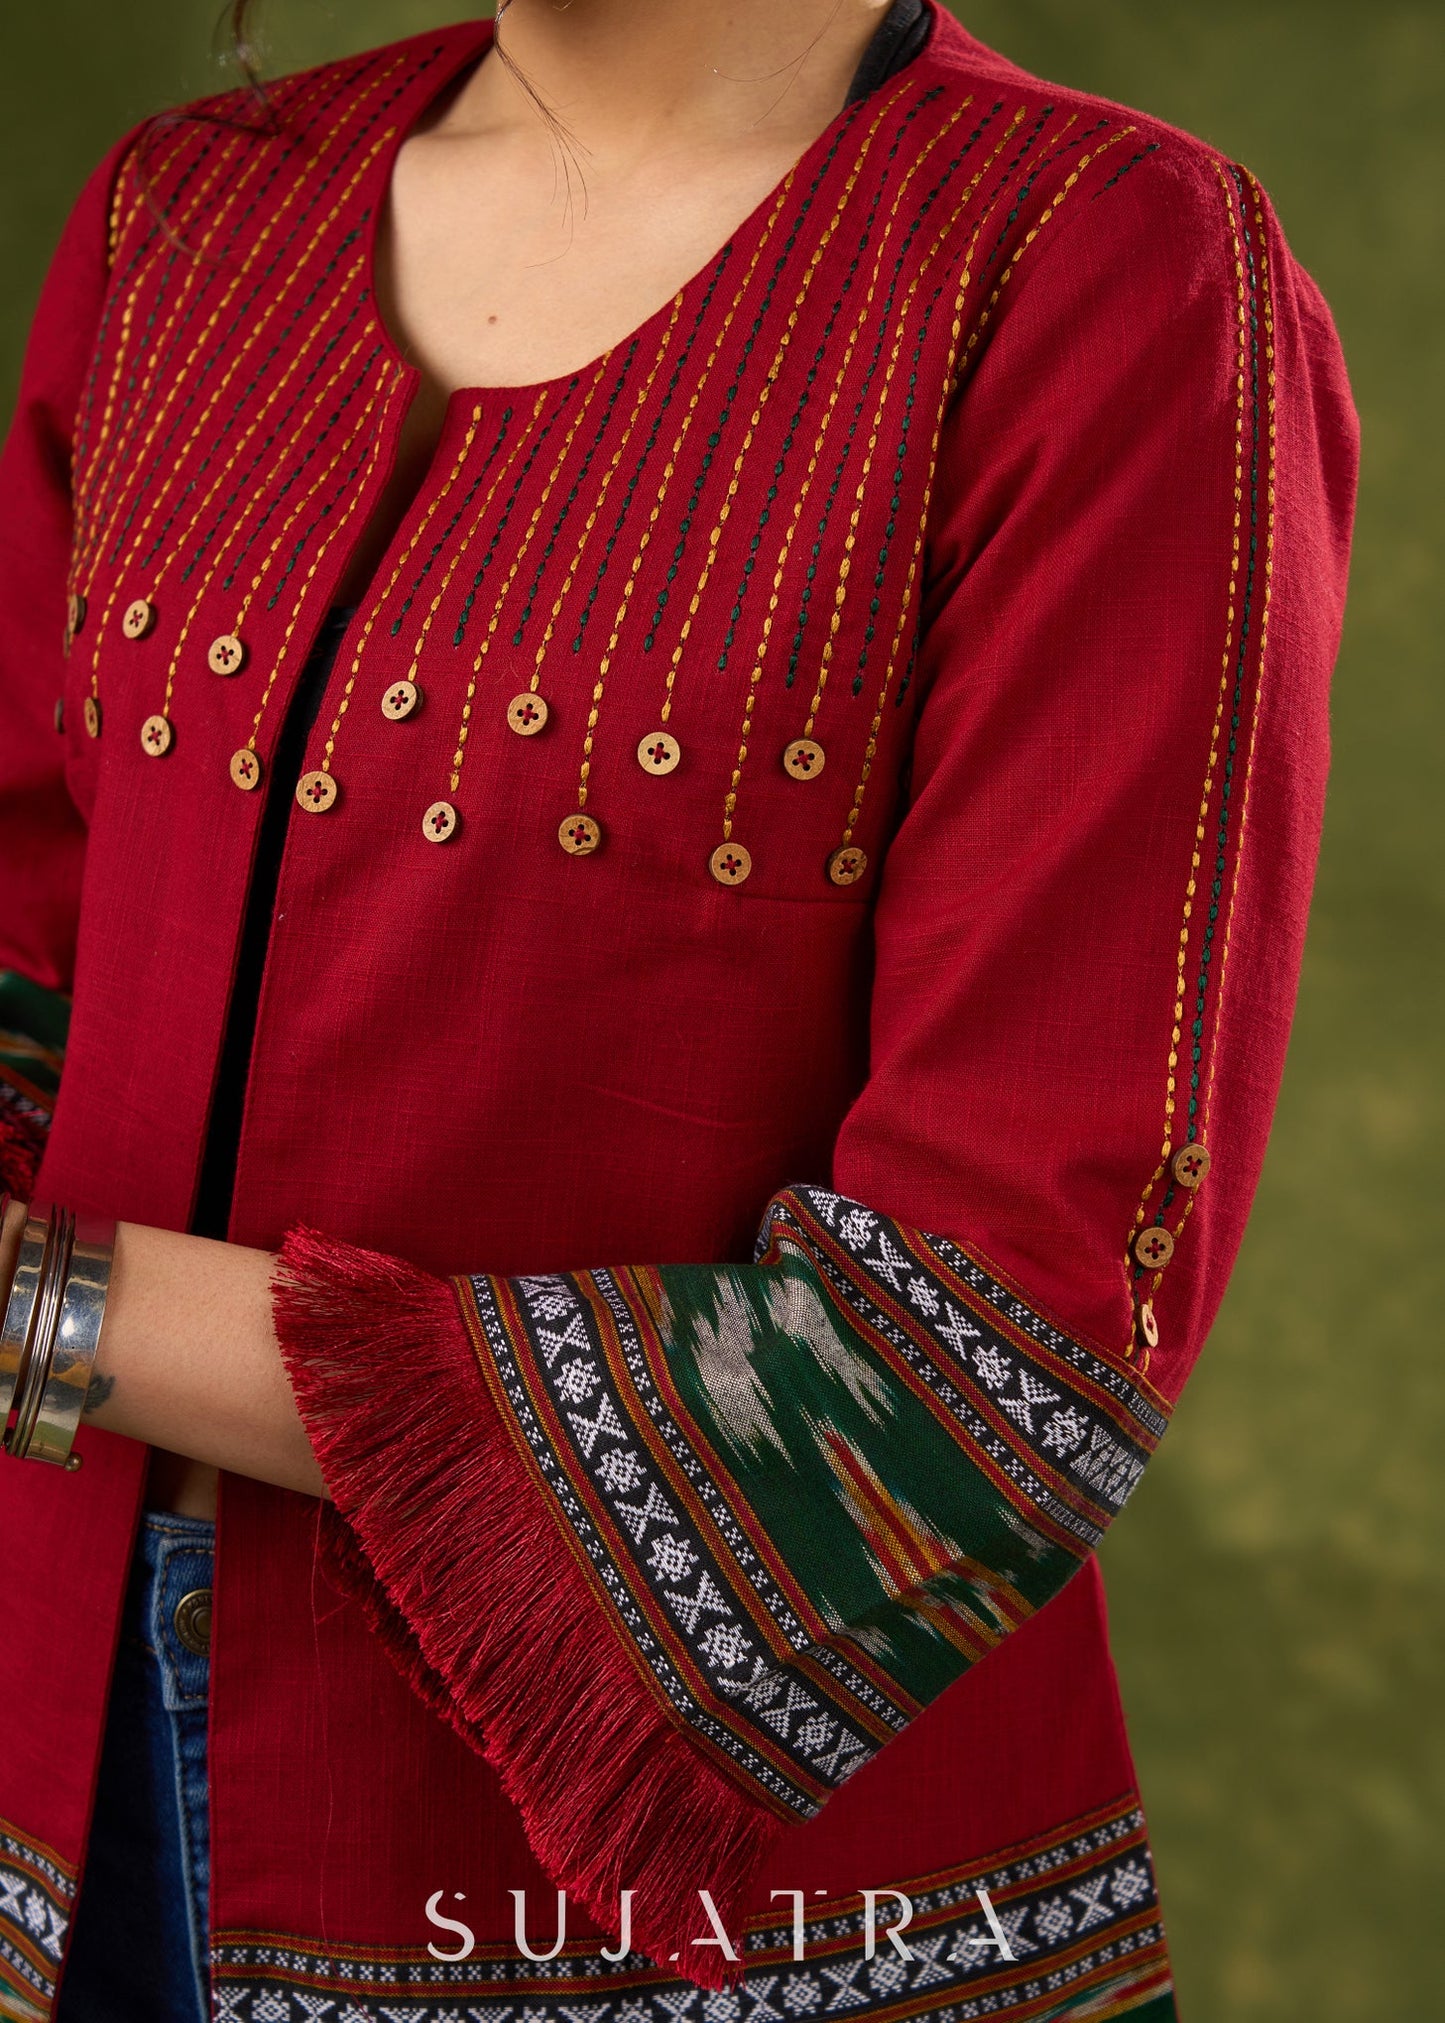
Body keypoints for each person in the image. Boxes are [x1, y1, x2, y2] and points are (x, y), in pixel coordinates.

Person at [0, 1, 1357, 2019]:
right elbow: (32, 970)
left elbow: (986, 1353)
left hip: (663, 1910)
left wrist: (46, 1310)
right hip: (41, 1754)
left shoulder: (1104, 267)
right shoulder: (185, 217)